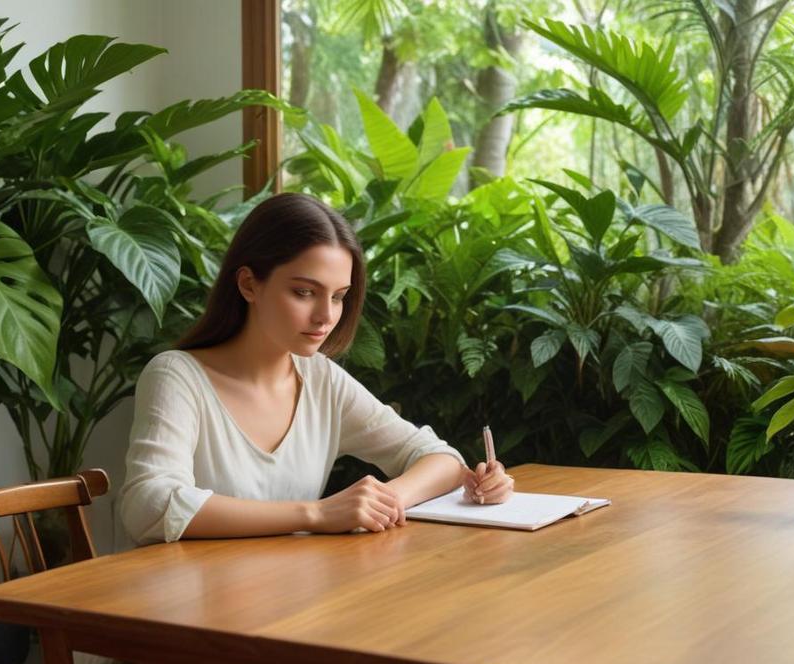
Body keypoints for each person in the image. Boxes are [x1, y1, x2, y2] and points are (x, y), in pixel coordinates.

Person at [118, 192, 514, 545]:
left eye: (339, 296)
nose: (326, 316)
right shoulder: (177, 376)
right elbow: (149, 504)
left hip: (291, 600)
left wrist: (383, 502)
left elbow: (438, 458)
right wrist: (318, 514)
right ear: (249, 285)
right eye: (304, 292)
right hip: (183, 610)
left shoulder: (320, 378)